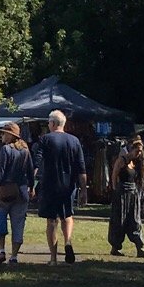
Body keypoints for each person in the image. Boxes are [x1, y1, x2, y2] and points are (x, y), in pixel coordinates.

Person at [32, 109, 88, 263]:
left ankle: (53, 258)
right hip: (68, 186)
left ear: (53, 123)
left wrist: (32, 183)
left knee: (51, 221)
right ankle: (68, 241)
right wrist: (83, 190)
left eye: (49, 122)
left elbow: (37, 162)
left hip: (50, 185)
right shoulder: (74, 141)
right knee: (67, 217)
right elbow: (81, 167)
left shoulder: (45, 140)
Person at [0, 123, 33, 264]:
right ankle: (14, 256)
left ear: (11, 136)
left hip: (4, 192)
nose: (2, 136)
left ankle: (1, 251)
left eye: (4, 133)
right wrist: (32, 187)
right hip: (21, 191)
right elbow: (30, 171)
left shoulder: (6, 150)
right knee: (18, 224)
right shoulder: (25, 150)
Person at [107, 138, 144, 257]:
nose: (139, 153)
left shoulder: (138, 163)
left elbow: (140, 179)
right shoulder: (122, 160)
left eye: (141, 151)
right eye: (137, 151)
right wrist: (115, 190)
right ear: (131, 150)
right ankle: (115, 247)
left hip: (133, 194)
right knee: (119, 220)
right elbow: (114, 175)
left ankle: (140, 247)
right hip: (121, 193)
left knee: (135, 220)